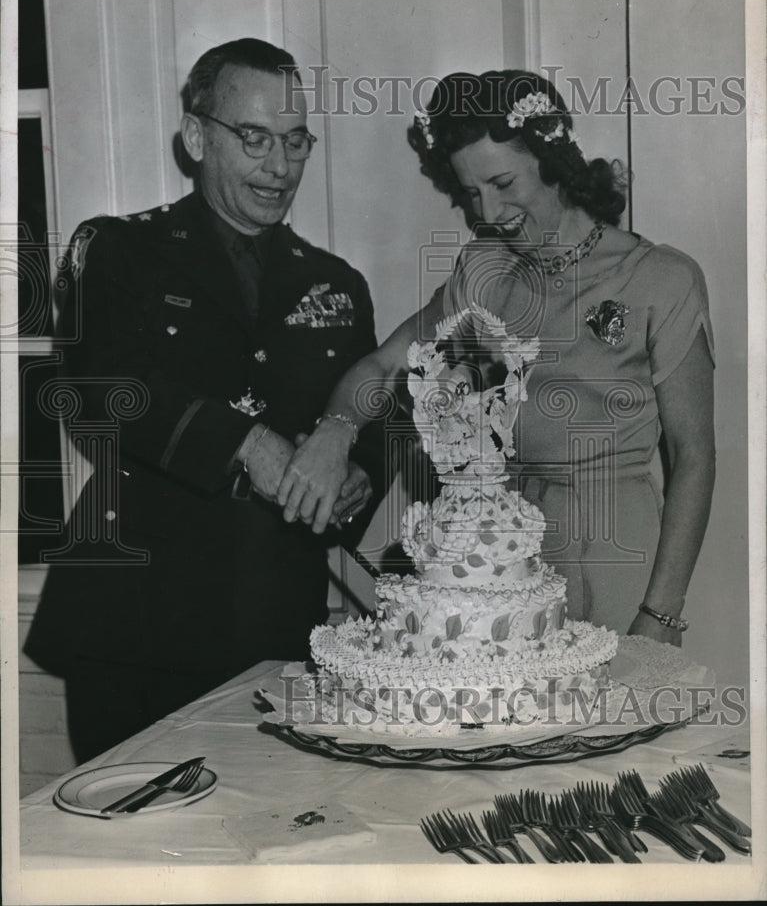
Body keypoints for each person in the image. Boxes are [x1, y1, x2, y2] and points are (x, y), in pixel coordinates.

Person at [23, 38, 387, 763]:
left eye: (294, 142)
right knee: (132, 846)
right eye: (253, 138)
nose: (279, 167)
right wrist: (247, 444)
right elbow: (94, 389)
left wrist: (355, 480)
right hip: (133, 631)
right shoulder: (119, 251)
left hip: (275, 625)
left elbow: (369, 420)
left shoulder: (336, 285)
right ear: (196, 138)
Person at [276, 68, 715, 647]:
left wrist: (660, 615)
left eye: (504, 182)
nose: (489, 210)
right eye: (471, 193)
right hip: (498, 561)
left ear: (553, 159)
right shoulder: (484, 272)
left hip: (616, 557)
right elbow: (384, 365)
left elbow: (694, 455)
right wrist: (335, 432)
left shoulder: (663, 277)